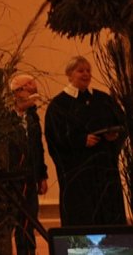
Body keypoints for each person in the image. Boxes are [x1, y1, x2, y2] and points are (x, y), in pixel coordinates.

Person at [44, 56, 127, 226]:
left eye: (88, 71)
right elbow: (55, 137)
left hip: (104, 169)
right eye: (80, 71)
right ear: (69, 74)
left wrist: (114, 136)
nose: (86, 74)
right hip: (77, 172)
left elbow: (122, 123)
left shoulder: (103, 99)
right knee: (82, 214)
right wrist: (81, 140)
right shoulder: (59, 105)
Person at [8, 73, 48, 255]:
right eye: (29, 85)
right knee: (17, 220)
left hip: (31, 177)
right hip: (13, 179)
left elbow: (38, 148)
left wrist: (42, 176)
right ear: (18, 92)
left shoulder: (33, 118)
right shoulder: (6, 118)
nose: (34, 88)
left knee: (30, 219)